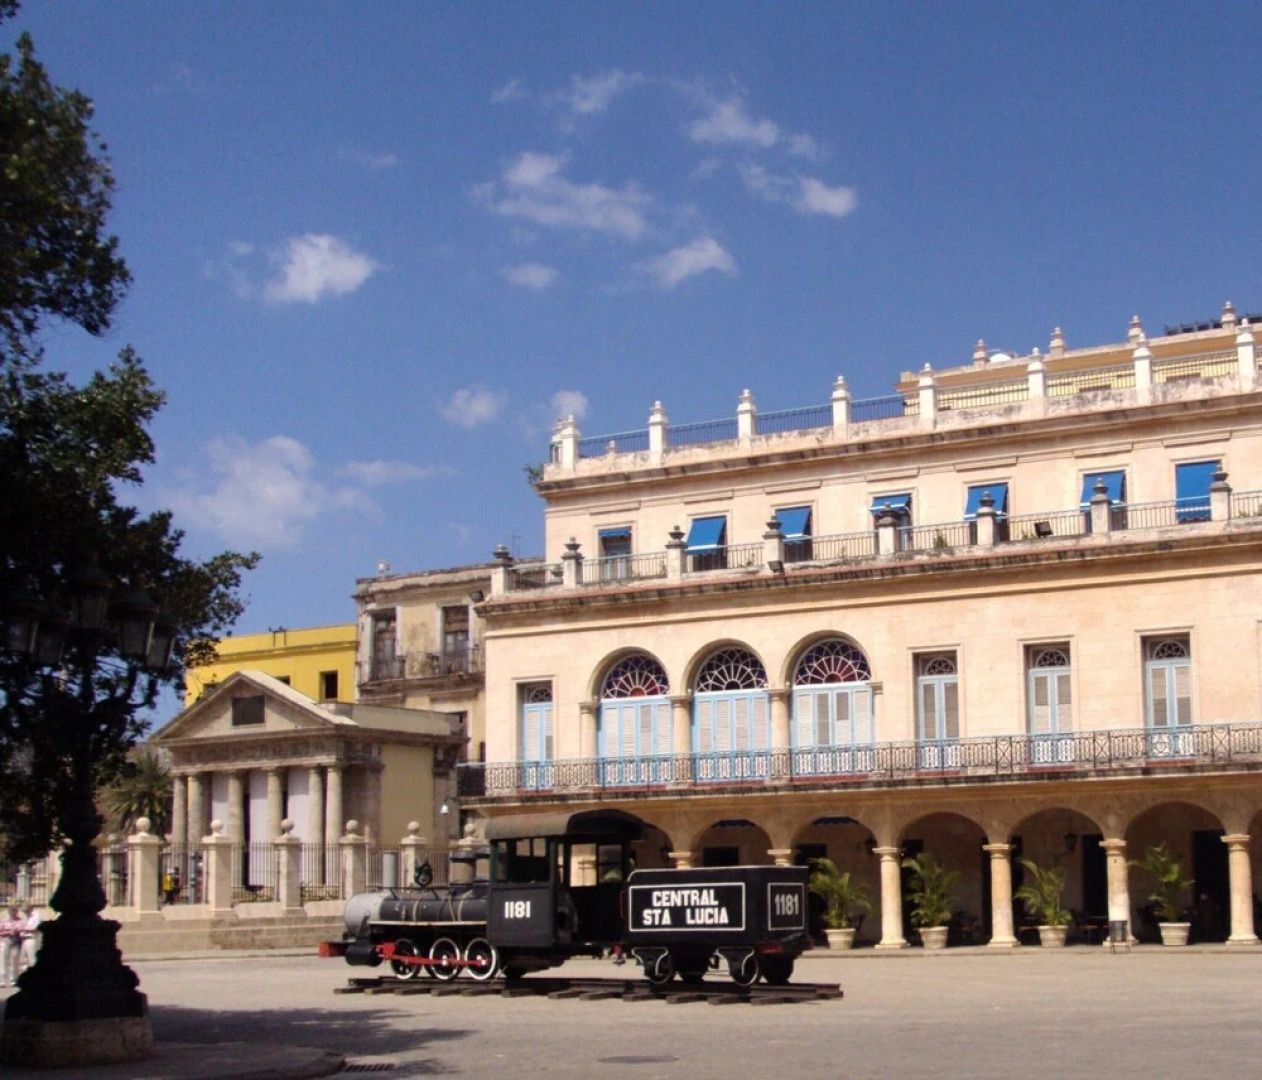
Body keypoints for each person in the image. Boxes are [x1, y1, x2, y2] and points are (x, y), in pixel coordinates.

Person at [1, 905, 21, 988]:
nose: (12, 913)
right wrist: (7, 932)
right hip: (6, 940)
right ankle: (2, 980)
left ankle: (14, 979)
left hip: (16, 941)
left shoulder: (20, 920)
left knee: (14, 959)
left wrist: (17, 932)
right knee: (3, 960)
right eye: (11, 912)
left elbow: (22, 931)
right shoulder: (4, 920)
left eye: (14, 911)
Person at [20, 905, 41, 973]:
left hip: (31, 939)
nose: (25, 912)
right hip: (24, 939)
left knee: (32, 960)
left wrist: (24, 929)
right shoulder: (27, 916)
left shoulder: (36, 916)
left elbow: (36, 928)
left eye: (25, 911)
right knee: (25, 961)